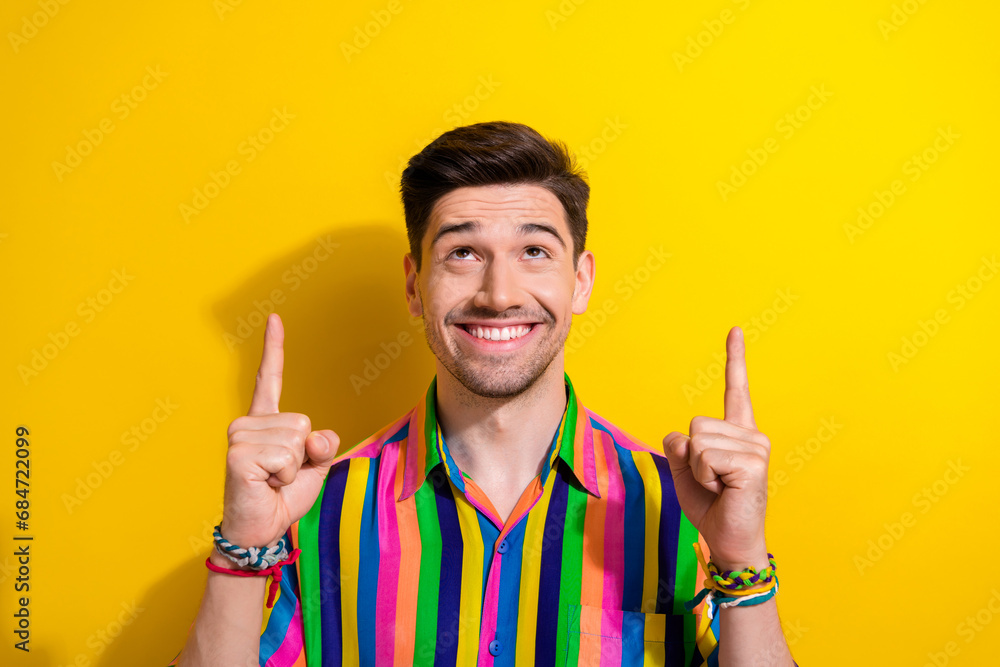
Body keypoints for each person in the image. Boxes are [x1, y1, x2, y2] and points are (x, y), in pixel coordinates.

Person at [170, 121, 797, 666]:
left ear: (579, 282)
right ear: (415, 285)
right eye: (464, 252)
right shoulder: (309, 511)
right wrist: (245, 548)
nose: (499, 293)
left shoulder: (687, 509)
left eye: (533, 251)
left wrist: (741, 557)